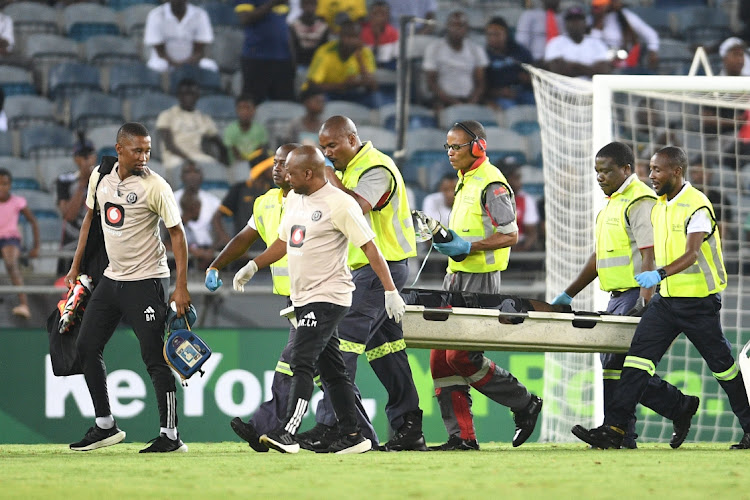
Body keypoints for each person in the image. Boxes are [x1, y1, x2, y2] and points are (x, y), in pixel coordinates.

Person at [572, 146, 750, 451]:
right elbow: (650, 252)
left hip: (699, 303)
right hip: (666, 303)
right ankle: (614, 430)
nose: (651, 176)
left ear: (676, 172)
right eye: (650, 169)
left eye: (657, 170)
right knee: (636, 364)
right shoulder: (660, 205)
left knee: (724, 368)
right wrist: (646, 297)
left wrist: (659, 275)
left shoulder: (697, 206)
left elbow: (692, 255)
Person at [232, 145, 406, 454]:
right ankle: (354, 436)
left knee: (302, 361)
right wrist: (253, 265)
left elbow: (370, 248)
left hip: (328, 296)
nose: (285, 176)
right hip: (303, 296)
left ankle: (287, 430)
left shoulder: (340, 204)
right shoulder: (296, 199)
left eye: (291, 172)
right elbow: (284, 243)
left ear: (309, 174)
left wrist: (390, 290)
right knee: (333, 371)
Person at [551, 142, 698, 449]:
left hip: (636, 294)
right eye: (597, 171)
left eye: (606, 170)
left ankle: (620, 431)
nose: (600, 176)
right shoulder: (612, 204)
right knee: (613, 362)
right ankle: (655, 417)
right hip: (616, 295)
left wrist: (645, 299)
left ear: (627, 169)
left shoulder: (640, 200)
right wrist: (568, 294)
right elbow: (599, 257)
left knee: (621, 363)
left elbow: (649, 253)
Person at [300, 115, 426, 452]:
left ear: (352, 139)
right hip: (371, 271)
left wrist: (328, 178)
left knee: (342, 347)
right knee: (388, 352)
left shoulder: (376, 168)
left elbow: (357, 207)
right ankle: (408, 426)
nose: (328, 154)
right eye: (323, 147)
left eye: (332, 146)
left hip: (379, 269)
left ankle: (335, 428)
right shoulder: (348, 170)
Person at [65, 122, 192, 453]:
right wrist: (76, 265)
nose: (144, 156)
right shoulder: (100, 177)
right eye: (138, 150)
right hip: (113, 278)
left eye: (148, 150)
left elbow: (177, 235)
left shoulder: (157, 187)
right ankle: (105, 426)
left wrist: (180, 287)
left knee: (153, 357)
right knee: (86, 346)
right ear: (119, 148)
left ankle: (170, 435)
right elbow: (90, 221)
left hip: (147, 281)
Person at [428, 120, 542, 450]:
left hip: (481, 281)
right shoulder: (465, 180)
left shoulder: (492, 184)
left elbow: (510, 234)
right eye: (447, 147)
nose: (450, 153)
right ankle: (462, 437)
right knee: (439, 359)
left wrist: (468, 247)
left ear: (478, 146)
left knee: (461, 357)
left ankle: (524, 402)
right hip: (456, 277)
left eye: (457, 146)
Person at [303, 19, 379, 109]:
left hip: (352, 92)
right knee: (317, 99)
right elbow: (313, 85)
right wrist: (343, 85)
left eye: (355, 37)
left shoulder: (365, 52)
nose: (351, 41)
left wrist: (360, 61)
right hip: (328, 93)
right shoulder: (325, 51)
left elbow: (373, 87)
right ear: (340, 36)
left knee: (375, 99)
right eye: (347, 37)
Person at [156, 78, 228, 172]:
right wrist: (189, 161)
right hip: (174, 157)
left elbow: (218, 141)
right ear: (179, 96)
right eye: (185, 94)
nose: (188, 98)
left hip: (197, 156)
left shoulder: (204, 118)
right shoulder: (167, 115)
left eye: (191, 94)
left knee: (214, 166)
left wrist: (223, 157)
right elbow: (169, 145)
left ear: (197, 96)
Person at [422, 11, 487, 110]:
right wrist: (454, 103)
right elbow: (431, 83)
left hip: (469, 99)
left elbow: (480, 83)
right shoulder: (434, 48)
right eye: (453, 25)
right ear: (447, 26)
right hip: (443, 100)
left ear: (467, 28)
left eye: (461, 25)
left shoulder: (476, 49)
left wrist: (471, 102)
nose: (457, 29)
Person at [235, 0, 296, 103]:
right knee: (253, 102)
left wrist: (293, 58)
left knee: (284, 104)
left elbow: (284, 26)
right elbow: (244, 18)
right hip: (256, 58)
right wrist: (272, 3)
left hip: (283, 59)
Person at [0, 168, 39, 319]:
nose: (2, 187)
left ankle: (24, 305)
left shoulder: (17, 202)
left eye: (5, 184)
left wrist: (36, 247)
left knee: (11, 264)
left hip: (10, 239)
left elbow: (33, 222)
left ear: (10, 185)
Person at [56, 136, 98, 275]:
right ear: (75, 159)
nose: (86, 160)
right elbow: (69, 215)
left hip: (97, 245)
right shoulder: (65, 181)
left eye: (90, 155)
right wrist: (82, 182)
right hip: (71, 245)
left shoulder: (105, 180)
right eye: (82, 156)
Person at [143, 0, 218, 73]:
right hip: (164, 61)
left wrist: (186, 64)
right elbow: (160, 51)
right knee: (154, 65)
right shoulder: (156, 14)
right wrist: (176, 64)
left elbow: (199, 50)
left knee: (210, 66)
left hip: (192, 62)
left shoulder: (200, 14)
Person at [589, 0, 659, 72]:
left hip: (626, 61)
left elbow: (651, 34)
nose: (601, 8)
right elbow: (592, 46)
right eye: (597, 7)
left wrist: (652, 52)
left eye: (603, 5)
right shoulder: (591, 20)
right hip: (602, 63)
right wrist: (599, 21)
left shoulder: (626, 16)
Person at [172, 162, 221, 263]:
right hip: (180, 253)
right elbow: (167, 234)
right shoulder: (170, 199)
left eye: (196, 172)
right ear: (182, 176)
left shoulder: (213, 201)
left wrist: (212, 250)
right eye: (188, 172)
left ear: (202, 176)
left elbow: (220, 234)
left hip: (209, 252)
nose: (192, 175)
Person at [544, 6, 611, 79]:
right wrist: (590, 68)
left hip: (591, 88)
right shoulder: (555, 43)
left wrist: (572, 66)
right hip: (563, 88)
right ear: (565, 23)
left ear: (585, 22)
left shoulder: (597, 43)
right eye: (571, 20)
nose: (575, 23)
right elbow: (557, 70)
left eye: (578, 19)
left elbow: (603, 71)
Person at [483, 16, 534, 110]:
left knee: (538, 103)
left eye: (497, 34)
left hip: (522, 91)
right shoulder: (484, 56)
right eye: (490, 35)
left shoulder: (519, 51)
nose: (493, 38)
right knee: (511, 109)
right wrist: (500, 92)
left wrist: (527, 78)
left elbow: (533, 74)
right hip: (500, 95)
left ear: (506, 34)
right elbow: (483, 87)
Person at [502, 161, 539, 252]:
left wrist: (522, 248)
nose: (519, 180)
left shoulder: (526, 200)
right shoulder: (491, 199)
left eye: (519, 177)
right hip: (498, 245)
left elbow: (532, 233)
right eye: (514, 177)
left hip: (520, 245)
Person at [223, 94, 269, 166]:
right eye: (241, 108)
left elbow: (260, 149)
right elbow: (234, 151)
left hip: (255, 164)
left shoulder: (260, 129)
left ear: (254, 110)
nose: (244, 112)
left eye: (248, 108)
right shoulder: (230, 129)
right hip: (236, 165)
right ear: (236, 110)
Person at [515, 0, 563, 65]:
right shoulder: (529, 15)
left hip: (560, 65)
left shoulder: (564, 18)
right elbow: (521, 43)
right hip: (535, 62)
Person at [288, 0, 330, 70]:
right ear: (301, 6)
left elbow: (324, 50)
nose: (309, 7)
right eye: (306, 4)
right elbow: (293, 49)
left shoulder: (323, 27)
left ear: (316, 6)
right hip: (299, 65)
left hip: (317, 66)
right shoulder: (294, 25)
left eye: (312, 4)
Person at [360, 1, 399, 70]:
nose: (379, 17)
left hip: (388, 67)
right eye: (375, 14)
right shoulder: (361, 32)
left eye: (382, 14)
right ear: (369, 15)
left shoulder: (394, 33)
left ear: (388, 16)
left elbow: (394, 58)